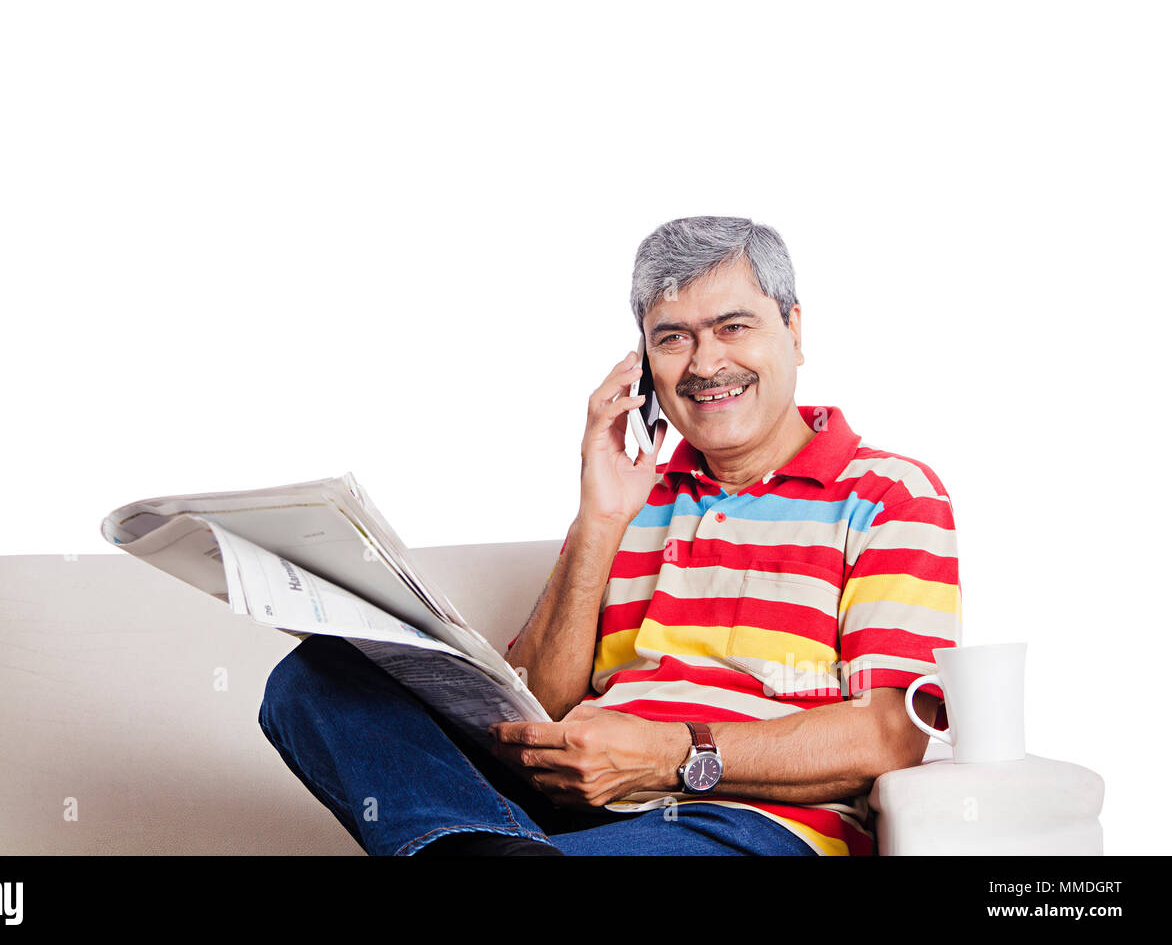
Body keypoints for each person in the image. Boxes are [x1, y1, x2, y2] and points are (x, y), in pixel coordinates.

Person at [258, 216, 959, 855]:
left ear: (795, 330)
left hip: (739, 823)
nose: (705, 364)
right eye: (673, 338)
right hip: (556, 815)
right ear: (645, 361)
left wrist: (667, 755)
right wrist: (597, 521)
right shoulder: (629, 494)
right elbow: (537, 708)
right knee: (315, 678)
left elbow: (888, 734)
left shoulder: (889, 494)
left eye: (733, 327)